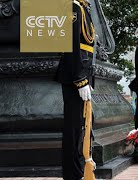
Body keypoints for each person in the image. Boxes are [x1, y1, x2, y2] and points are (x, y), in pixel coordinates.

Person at [55, 0, 95, 179]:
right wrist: (79, 79)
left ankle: (79, 170)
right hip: (75, 75)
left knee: (81, 126)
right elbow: (70, 45)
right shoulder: (72, 7)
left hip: (83, 72)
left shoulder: (83, 8)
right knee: (73, 128)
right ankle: (72, 174)